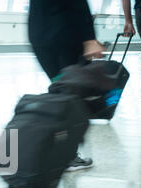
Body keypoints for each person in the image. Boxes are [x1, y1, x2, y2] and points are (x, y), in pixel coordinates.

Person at [28, 0, 104, 172]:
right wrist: (89, 38)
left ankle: (55, 150)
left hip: (39, 36)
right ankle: (66, 156)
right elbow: (78, 4)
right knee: (70, 97)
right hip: (66, 35)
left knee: (61, 92)